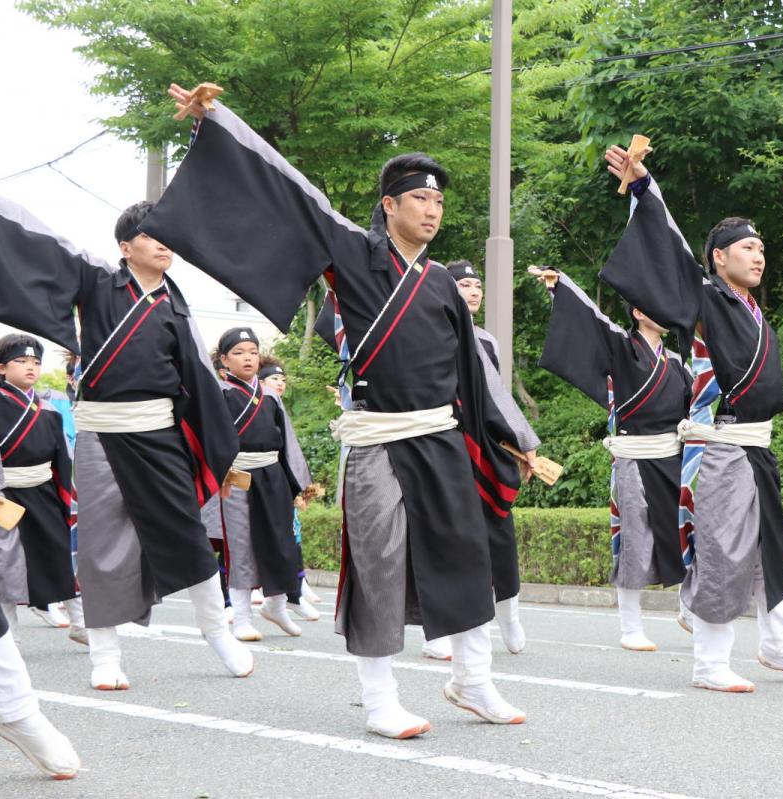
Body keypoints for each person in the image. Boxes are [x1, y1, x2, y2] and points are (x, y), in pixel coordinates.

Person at [141, 84, 533, 738]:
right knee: (377, 561)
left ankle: (473, 678)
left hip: (440, 437)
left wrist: (513, 434)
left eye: (439, 199)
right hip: (378, 439)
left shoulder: (440, 284)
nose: (432, 209)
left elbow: (477, 374)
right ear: (389, 205)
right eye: (419, 198)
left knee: (467, 554)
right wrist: (219, 119)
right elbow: (294, 190)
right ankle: (380, 699)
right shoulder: (355, 255)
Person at [0, 191, 252, 691]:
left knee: (186, 535)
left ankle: (219, 632)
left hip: (159, 433)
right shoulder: (97, 282)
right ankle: (104, 657)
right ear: (125, 246)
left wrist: (218, 447)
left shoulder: (177, 306)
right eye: (151, 235)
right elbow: (36, 237)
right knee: (101, 545)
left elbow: (196, 383)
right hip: (101, 433)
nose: (163, 244)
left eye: (168, 235)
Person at [598, 146, 783, 692]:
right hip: (718, 445)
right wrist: (644, 189)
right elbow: (669, 246)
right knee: (721, 548)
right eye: (747, 246)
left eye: (762, 247)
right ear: (719, 258)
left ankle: (778, 644)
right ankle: (710, 662)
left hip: (757, 445)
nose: (759, 254)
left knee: (772, 546)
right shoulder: (701, 299)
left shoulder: (753, 311)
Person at [533, 266, 688, 652]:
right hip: (634, 457)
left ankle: (691, 608)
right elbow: (591, 321)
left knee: (688, 533)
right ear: (637, 312)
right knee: (635, 538)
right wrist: (561, 287)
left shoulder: (678, 362)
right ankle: (630, 626)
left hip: (675, 457)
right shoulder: (621, 346)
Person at [417, 259, 539, 658]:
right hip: (437, 440)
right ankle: (435, 631)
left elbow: (494, 395)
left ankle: (510, 614)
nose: (472, 291)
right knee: (437, 536)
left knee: (499, 533)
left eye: (477, 285)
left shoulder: (487, 341)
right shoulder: (430, 329)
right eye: (464, 284)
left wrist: (517, 440)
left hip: (481, 444)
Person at [0, 353, 80, 779]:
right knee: (2, 574)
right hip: (13, 489)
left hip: (31, 491)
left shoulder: (47, 407)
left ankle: (13, 706)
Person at [211, 328, 314, 642]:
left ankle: (277, 604)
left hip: (272, 474)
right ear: (225, 360)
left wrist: (299, 484)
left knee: (281, 542)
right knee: (240, 546)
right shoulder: (219, 394)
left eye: (253, 352)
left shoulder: (269, 396)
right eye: (239, 352)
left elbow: (288, 443)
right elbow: (210, 440)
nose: (248, 358)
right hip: (236, 477)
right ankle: (241, 617)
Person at [0, 334, 84, 645]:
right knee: (4, 561)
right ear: (1, 368)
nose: (31, 367)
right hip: (3, 492)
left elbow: (60, 460)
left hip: (43, 490)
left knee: (59, 555)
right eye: (21, 361)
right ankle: (6, 633)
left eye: (36, 362)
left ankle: (80, 623)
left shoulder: (50, 410)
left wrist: (65, 497)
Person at [258, 355, 322, 622]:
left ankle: (294, 591)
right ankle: (232, 600)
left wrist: (300, 488)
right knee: (243, 541)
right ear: (260, 382)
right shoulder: (250, 402)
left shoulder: (279, 405)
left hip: (280, 480)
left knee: (290, 535)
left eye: (283, 379)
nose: (280, 383)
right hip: (254, 477)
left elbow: (291, 451)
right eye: (274, 378)